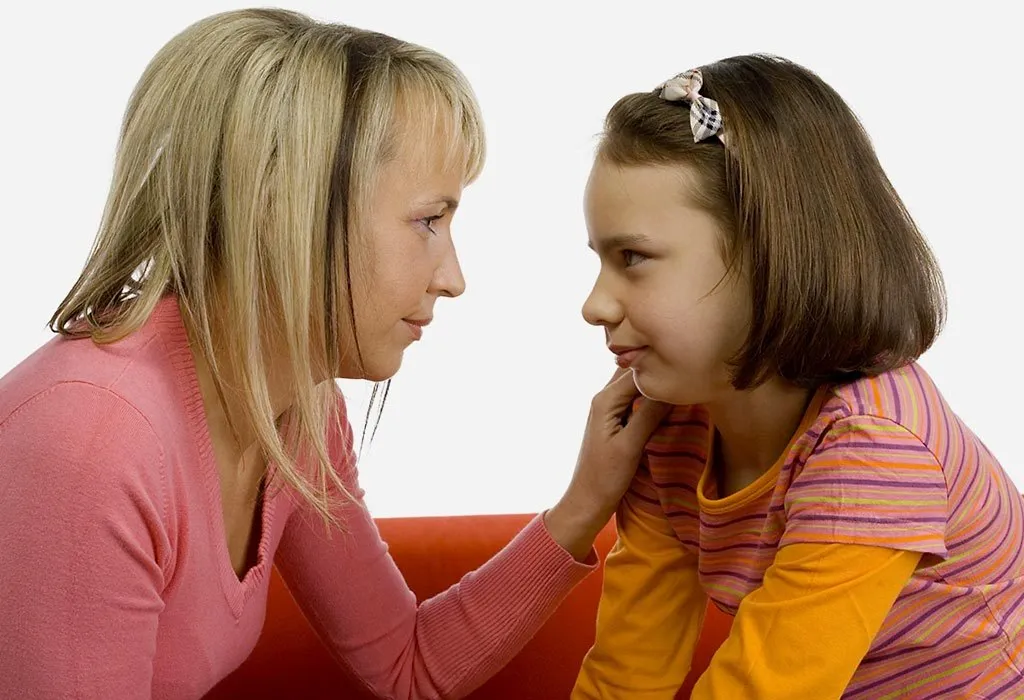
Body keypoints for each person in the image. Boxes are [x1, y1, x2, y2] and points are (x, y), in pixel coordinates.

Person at [0, 9, 669, 699]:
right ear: (281, 204)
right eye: (427, 220)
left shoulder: (298, 408)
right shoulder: (92, 441)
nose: (453, 277)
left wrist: (588, 500)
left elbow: (408, 665)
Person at [572, 54, 1023, 699]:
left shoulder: (873, 446)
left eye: (633, 258)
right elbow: (626, 673)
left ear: (768, 258)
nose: (595, 304)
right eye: (601, 259)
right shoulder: (670, 426)